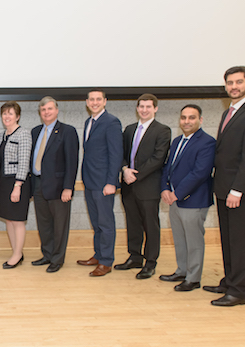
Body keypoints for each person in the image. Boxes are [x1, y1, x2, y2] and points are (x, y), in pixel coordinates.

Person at [204, 66, 245, 306]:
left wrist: (237, 190)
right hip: (223, 188)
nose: (234, 87)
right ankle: (230, 281)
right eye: (230, 83)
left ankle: (238, 291)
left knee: (240, 241)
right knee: (228, 238)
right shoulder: (228, 112)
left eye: (238, 82)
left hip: (240, 191)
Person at [159, 105, 215, 291]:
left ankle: (193, 278)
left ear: (200, 120)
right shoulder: (177, 141)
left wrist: (177, 193)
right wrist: (165, 188)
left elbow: (199, 173)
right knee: (180, 238)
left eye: (192, 118)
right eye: (183, 118)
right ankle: (182, 270)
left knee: (194, 241)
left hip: (193, 200)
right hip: (174, 199)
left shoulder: (207, 142)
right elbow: (168, 167)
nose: (187, 121)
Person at [116, 94, 171, 279]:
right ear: (137, 108)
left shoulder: (163, 130)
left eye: (148, 106)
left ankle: (150, 262)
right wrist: (124, 169)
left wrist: (135, 175)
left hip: (148, 186)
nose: (144, 110)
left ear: (155, 108)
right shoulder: (129, 129)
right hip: (128, 185)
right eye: (141, 106)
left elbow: (158, 158)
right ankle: (135, 257)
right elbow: (121, 153)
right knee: (132, 223)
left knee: (150, 225)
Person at [77, 89, 123, 277]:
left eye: (98, 99)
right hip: (90, 181)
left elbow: (116, 154)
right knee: (96, 222)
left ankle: (106, 261)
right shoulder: (89, 122)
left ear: (105, 101)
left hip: (104, 183)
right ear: (87, 102)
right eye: (91, 99)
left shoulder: (111, 122)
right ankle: (98, 255)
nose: (95, 102)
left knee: (105, 223)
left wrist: (112, 181)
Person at [30, 96, 79, 273]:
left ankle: (57, 259)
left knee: (59, 225)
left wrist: (68, 187)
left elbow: (72, 162)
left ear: (56, 110)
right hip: (38, 184)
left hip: (59, 187)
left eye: (50, 109)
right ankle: (47, 255)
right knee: (44, 223)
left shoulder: (67, 131)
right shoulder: (35, 132)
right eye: (43, 110)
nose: (46, 112)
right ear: (40, 112)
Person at [0, 101, 32, 269]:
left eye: (10, 113)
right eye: (4, 113)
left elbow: (24, 162)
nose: (7, 116)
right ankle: (16, 252)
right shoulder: (2, 135)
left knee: (18, 221)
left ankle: (17, 254)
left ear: (18, 116)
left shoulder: (23, 134)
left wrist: (18, 186)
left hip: (17, 182)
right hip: (3, 182)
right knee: (8, 220)